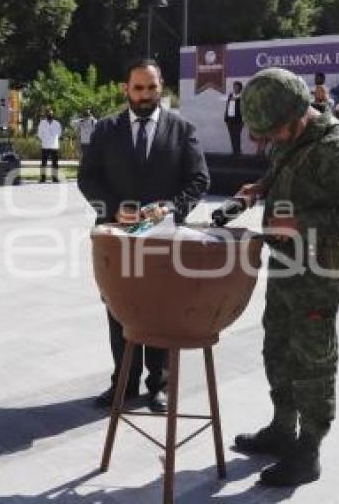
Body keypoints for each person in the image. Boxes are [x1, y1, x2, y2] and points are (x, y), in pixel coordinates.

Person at [230, 67, 339, 487]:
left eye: (274, 131)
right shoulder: (291, 135)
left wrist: (302, 223)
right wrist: (259, 188)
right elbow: (285, 172)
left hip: (319, 269)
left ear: (298, 114)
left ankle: (309, 449)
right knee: (276, 344)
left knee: (312, 356)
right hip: (286, 261)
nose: (270, 139)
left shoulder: (336, 149)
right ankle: (282, 428)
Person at [77, 58, 210, 414]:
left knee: (161, 309)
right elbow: (87, 178)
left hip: (163, 240)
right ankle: (123, 381)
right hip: (117, 240)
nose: (145, 94)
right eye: (138, 87)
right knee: (118, 308)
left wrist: (171, 208)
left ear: (161, 87)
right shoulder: (105, 130)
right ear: (126, 89)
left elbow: (199, 180)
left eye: (152, 87)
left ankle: (160, 384)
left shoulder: (182, 129)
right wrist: (112, 206)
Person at [37, 108, 62, 183]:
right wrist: (44, 139)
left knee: (55, 163)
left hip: (54, 145)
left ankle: (55, 178)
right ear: (46, 114)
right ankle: (43, 178)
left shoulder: (57, 123)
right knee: (44, 163)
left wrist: (54, 139)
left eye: (51, 113)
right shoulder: (42, 123)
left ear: (53, 114)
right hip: (45, 145)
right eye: (49, 113)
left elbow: (59, 133)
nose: (50, 115)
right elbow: (39, 134)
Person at [224, 81, 244, 156]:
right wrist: (226, 117)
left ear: (240, 88)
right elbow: (227, 105)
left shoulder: (242, 96)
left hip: (238, 119)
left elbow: (242, 108)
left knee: (237, 136)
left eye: (237, 87)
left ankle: (238, 152)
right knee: (232, 136)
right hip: (229, 119)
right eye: (234, 86)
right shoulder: (230, 95)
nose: (235, 88)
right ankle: (234, 151)